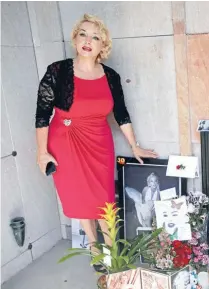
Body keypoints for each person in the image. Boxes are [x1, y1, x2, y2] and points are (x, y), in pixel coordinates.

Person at [35, 14, 158, 271]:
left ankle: (113, 251)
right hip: (65, 141)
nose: (88, 40)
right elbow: (42, 114)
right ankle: (94, 246)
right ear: (75, 39)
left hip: (99, 141)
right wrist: (42, 152)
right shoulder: (57, 71)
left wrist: (134, 146)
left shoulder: (111, 76)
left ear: (104, 45)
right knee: (80, 196)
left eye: (95, 37)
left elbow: (121, 114)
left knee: (103, 199)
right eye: (83, 34)